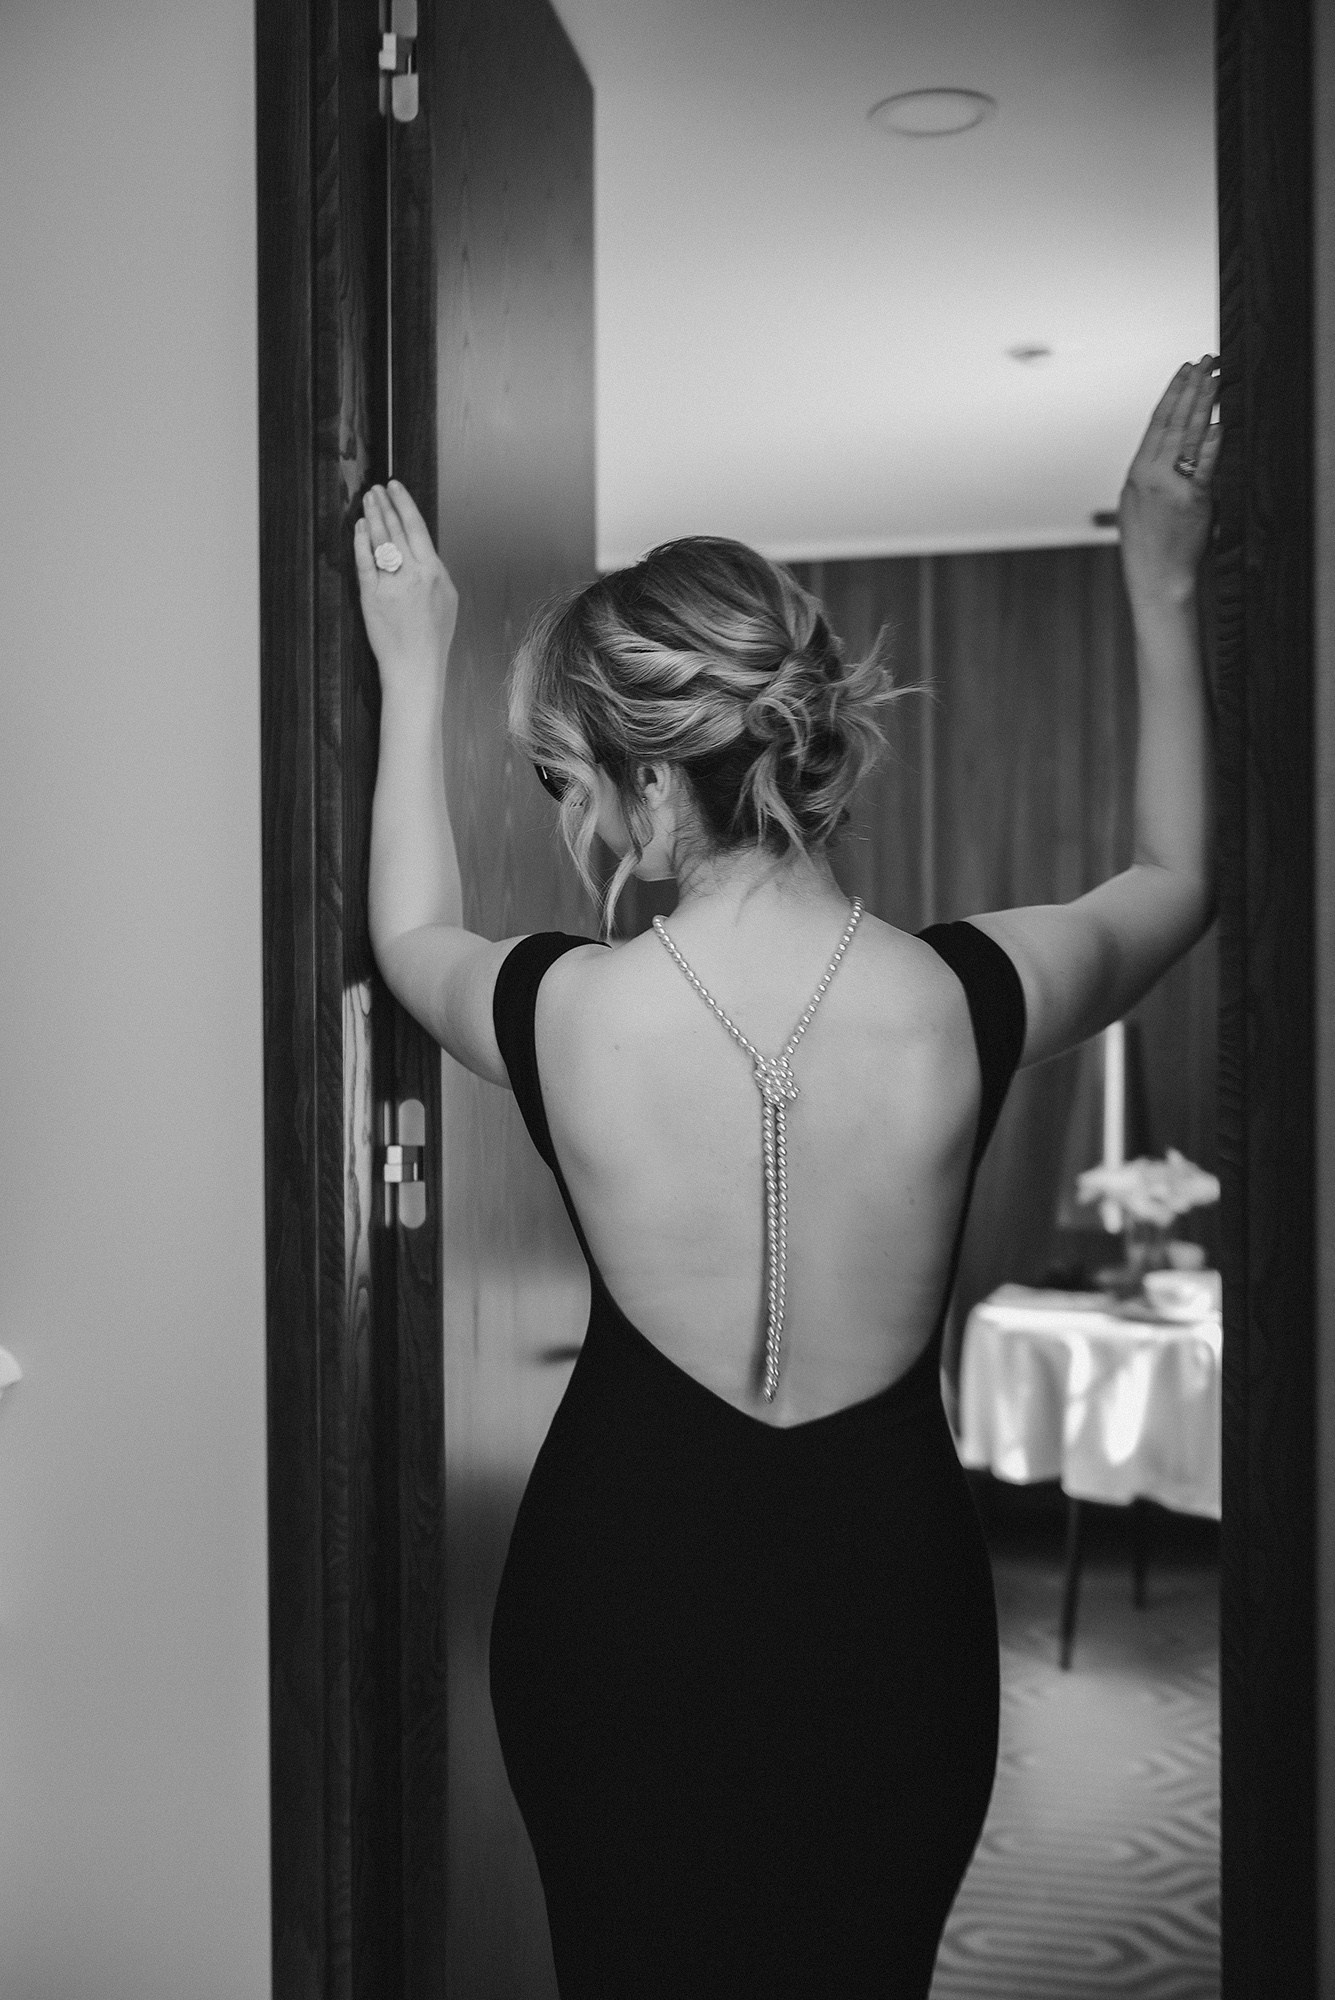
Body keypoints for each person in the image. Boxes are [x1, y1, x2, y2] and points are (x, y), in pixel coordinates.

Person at [354, 357, 1219, 1999]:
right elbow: (1180, 878)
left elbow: (408, 935)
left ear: (651, 779)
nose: (574, 815)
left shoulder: (567, 1011)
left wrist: (417, 658)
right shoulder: (961, 997)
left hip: (614, 1604)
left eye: (565, 778)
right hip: (890, 1611)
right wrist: (1160, 578)